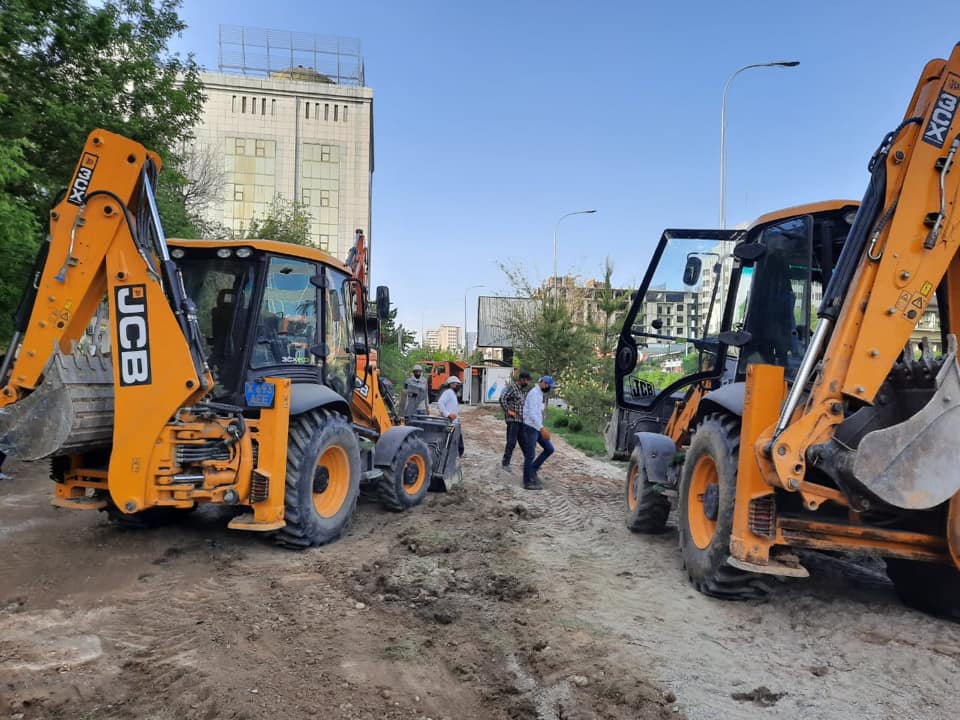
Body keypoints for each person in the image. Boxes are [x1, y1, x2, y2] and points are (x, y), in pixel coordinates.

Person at [520, 375, 555, 490]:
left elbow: (538, 413)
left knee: (549, 449)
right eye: (549, 386)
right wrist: (542, 428)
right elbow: (532, 414)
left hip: (537, 427)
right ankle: (527, 482)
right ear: (544, 383)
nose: (549, 388)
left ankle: (533, 470)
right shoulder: (534, 394)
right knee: (530, 455)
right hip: (531, 427)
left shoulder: (539, 394)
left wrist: (541, 427)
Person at [499, 370, 531, 471]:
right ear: (522, 379)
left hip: (521, 420)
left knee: (524, 442)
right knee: (511, 442)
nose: (528, 383)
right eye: (527, 380)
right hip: (513, 420)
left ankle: (529, 462)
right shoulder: (512, 388)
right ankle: (505, 463)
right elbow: (502, 398)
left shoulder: (522, 390)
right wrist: (508, 410)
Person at [437, 375, 464, 457]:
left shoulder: (452, 393)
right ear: (452, 384)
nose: (458, 386)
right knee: (451, 439)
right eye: (457, 384)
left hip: (454, 421)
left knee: (457, 438)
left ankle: (457, 454)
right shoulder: (448, 393)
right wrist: (447, 414)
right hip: (449, 421)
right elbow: (440, 403)